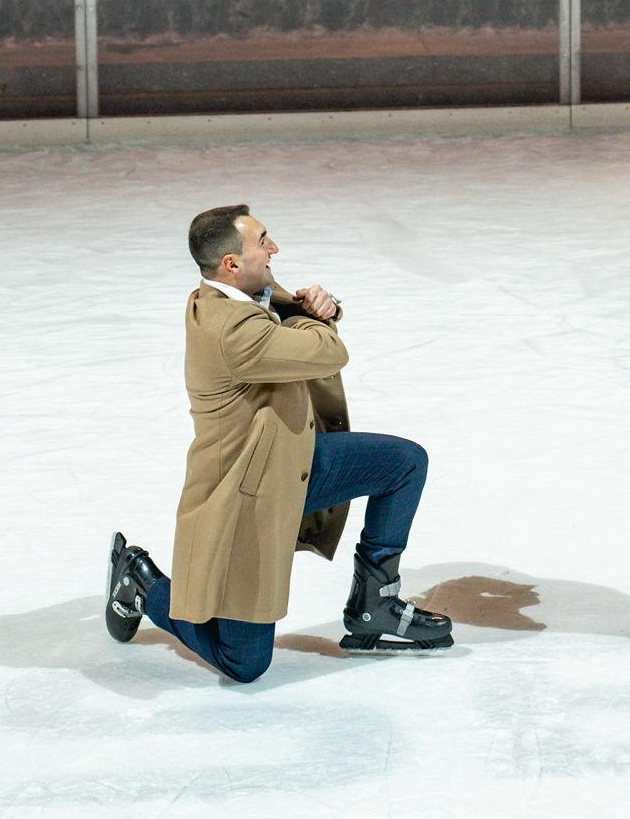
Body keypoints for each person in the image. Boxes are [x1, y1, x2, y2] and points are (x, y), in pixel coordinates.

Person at [105, 203, 451, 681]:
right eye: (263, 241)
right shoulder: (233, 332)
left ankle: (376, 604)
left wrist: (322, 305)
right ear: (231, 263)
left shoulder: (226, 295)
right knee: (244, 663)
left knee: (404, 462)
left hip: (290, 463)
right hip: (246, 497)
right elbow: (327, 352)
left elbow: (281, 303)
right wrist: (315, 316)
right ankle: (141, 582)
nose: (275, 248)